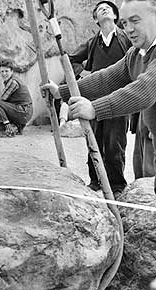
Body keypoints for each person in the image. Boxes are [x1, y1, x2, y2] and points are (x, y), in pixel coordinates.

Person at [43, 0, 156, 193]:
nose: (129, 29)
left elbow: (143, 91)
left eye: (135, 21)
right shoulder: (135, 54)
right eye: (125, 23)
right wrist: (62, 91)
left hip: (130, 116)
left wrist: (95, 108)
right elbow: (106, 79)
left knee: (116, 148)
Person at [69, 1, 132, 194]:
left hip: (119, 101)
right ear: (96, 19)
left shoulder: (126, 39)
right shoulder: (92, 42)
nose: (104, 9)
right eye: (99, 9)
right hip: (94, 102)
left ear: (115, 16)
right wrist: (85, 73)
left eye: (108, 8)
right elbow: (72, 60)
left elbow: (137, 61)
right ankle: (95, 182)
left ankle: (117, 185)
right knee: (94, 141)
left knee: (115, 144)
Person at [0, 60, 33, 137]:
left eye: (6, 71)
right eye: (2, 71)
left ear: (12, 71)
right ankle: (17, 127)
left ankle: (9, 128)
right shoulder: (10, 80)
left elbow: (1, 99)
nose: (4, 74)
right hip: (24, 110)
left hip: (24, 111)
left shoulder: (13, 82)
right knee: (1, 104)